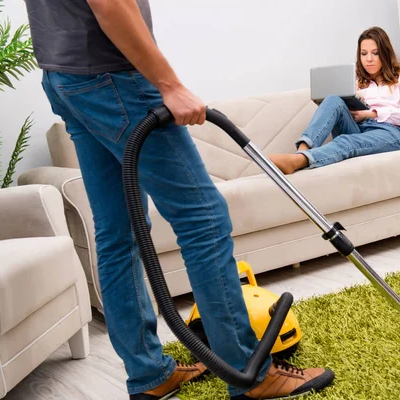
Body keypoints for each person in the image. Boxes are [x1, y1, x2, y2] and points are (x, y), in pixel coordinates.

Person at [22, 1, 334, 399]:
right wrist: (168, 84)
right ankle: (248, 374)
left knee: (119, 232)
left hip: (65, 77)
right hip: (113, 78)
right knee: (203, 218)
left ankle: (150, 375)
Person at [268, 26, 400, 175]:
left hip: (387, 132)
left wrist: (370, 114)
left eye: (375, 53)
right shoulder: (355, 81)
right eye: (364, 54)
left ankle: (300, 161)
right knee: (333, 99)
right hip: (357, 126)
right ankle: (301, 151)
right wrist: (355, 101)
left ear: (385, 53)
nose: (368, 59)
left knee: (346, 140)